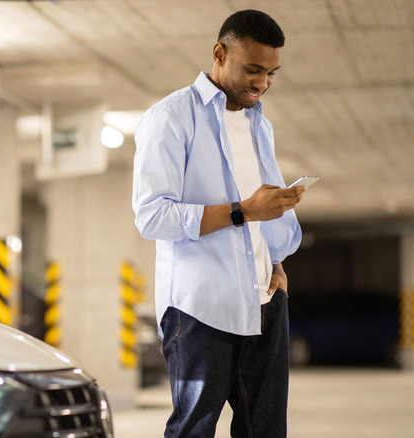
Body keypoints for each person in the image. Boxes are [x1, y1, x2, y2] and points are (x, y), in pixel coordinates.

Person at [131, 9, 306, 438]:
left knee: (264, 431)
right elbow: (152, 215)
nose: (262, 83)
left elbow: (262, 214)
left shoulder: (258, 124)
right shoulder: (170, 118)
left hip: (265, 302)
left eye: (270, 73)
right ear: (219, 53)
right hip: (199, 311)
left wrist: (276, 264)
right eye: (252, 69)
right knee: (194, 430)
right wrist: (242, 210)